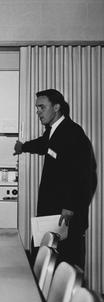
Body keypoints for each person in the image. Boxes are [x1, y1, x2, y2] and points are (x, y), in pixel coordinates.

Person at [14, 89, 97, 267]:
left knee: (66, 264)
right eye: (37, 108)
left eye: (42, 107)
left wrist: (70, 206)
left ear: (57, 107)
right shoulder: (54, 131)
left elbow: (86, 175)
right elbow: (44, 145)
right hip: (52, 211)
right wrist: (23, 147)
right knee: (45, 259)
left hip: (66, 214)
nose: (38, 112)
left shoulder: (73, 133)